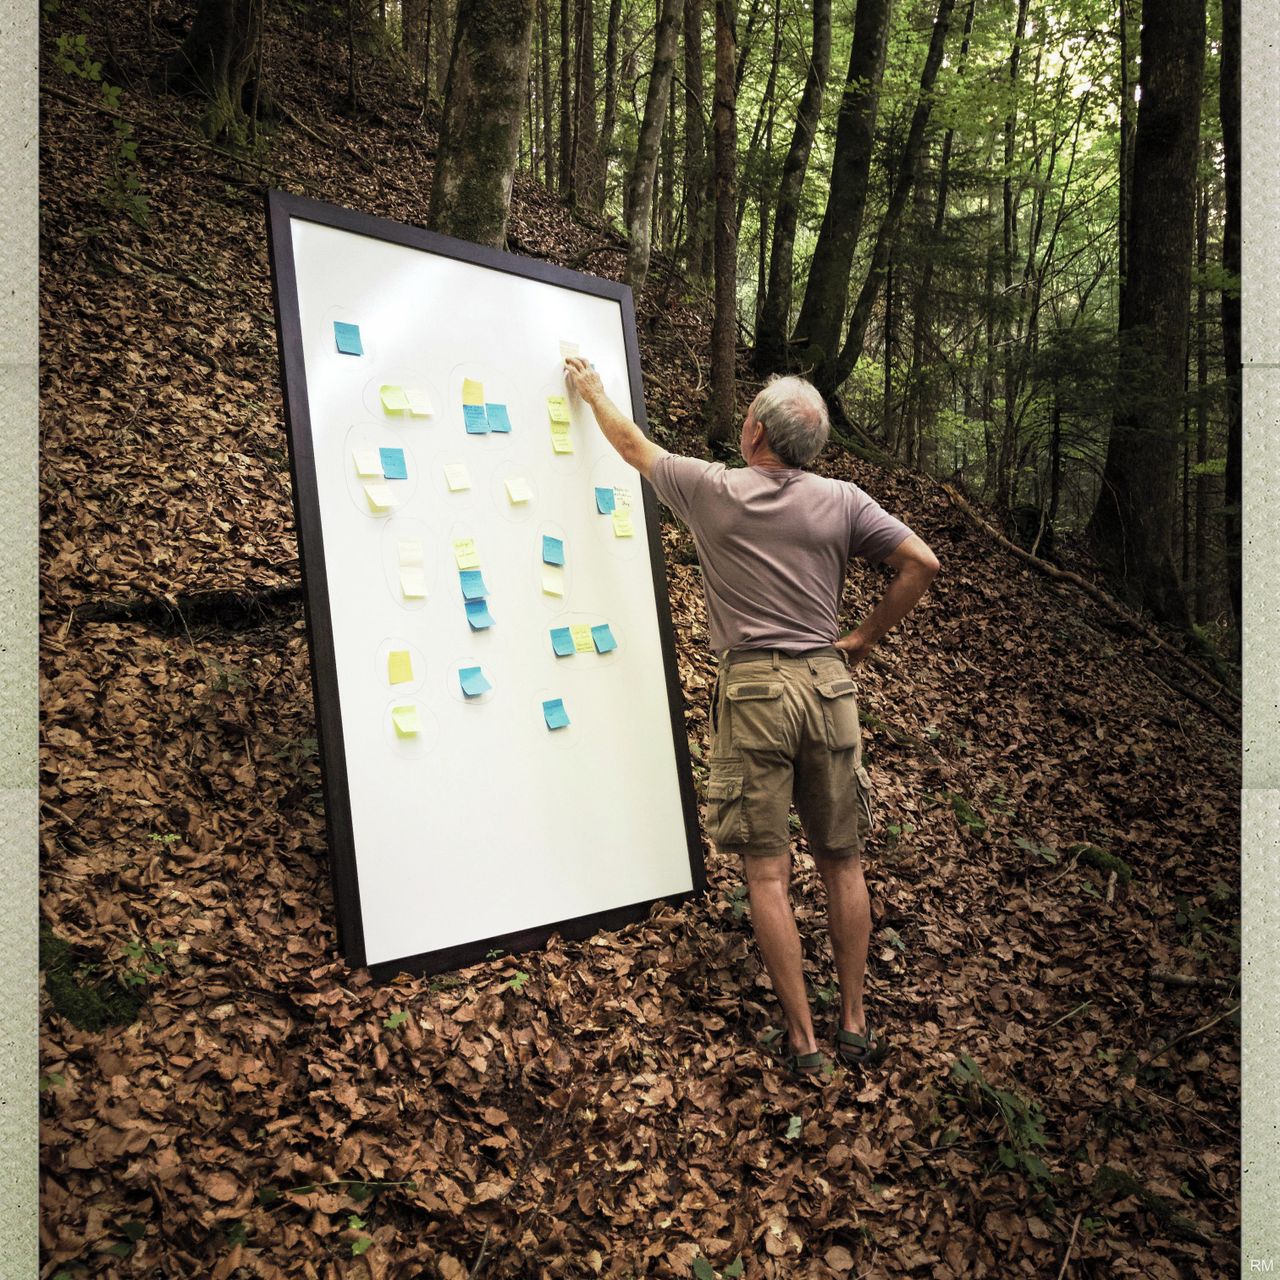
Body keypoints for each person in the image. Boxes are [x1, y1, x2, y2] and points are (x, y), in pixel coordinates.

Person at [563, 357, 940, 1080]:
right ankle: (854, 1023)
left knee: (767, 874)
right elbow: (921, 563)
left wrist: (593, 392)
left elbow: (632, 446)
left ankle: (804, 1043)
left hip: (755, 692)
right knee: (842, 860)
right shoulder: (845, 500)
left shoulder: (715, 488)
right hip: (830, 688)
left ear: (756, 431)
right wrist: (859, 640)